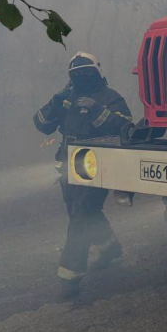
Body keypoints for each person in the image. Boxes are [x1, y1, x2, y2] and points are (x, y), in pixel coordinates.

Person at [33, 52, 133, 299]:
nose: (83, 78)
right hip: (68, 164)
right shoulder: (67, 98)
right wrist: (55, 103)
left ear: (97, 73)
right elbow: (41, 124)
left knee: (81, 214)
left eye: (87, 73)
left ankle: (70, 277)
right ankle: (111, 249)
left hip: (97, 165)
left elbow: (126, 129)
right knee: (81, 211)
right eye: (77, 75)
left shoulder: (111, 98)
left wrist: (97, 110)